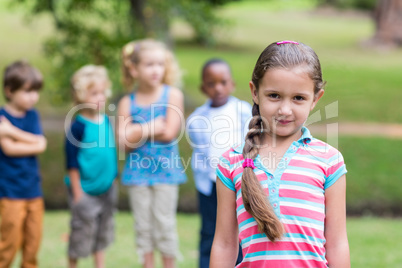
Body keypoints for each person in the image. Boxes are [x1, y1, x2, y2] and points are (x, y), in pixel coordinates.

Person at [210, 41, 350, 267]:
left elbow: (337, 243)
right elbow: (225, 243)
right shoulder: (231, 162)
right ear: (255, 92)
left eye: (298, 98)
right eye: (274, 95)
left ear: (316, 98)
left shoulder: (329, 160)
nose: (285, 110)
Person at [117, 39, 187, 268]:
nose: (156, 69)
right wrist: (151, 126)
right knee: (143, 227)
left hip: (166, 173)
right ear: (134, 69)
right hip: (137, 174)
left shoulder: (172, 95)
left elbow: (169, 132)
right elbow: (122, 142)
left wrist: (136, 132)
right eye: (149, 64)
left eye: (160, 64)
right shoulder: (127, 102)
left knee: (165, 225)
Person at [186, 58, 251, 268]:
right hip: (210, 185)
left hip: (239, 184)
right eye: (211, 84)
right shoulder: (197, 119)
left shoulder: (243, 111)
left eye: (223, 82)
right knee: (210, 230)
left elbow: (251, 144)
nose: (218, 88)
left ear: (232, 83)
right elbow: (200, 153)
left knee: (240, 229)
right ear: (203, 88)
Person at [64, 65, 118, 268]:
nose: (100, 97)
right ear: (80, 96)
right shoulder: (77, 127)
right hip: (85, 191)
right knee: (81, 234)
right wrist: (77, 193)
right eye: (94, 93)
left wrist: (113, 177)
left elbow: (109, 152)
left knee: (102, 233)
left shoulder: (106, 120)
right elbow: (71, 162)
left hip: (107, 189)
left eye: (102, 92)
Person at [0, 60, 47, 268]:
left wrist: (12, 133)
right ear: (9, 91)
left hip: (33, 191)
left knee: (32, 244)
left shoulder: (33, 115)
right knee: (8, 245)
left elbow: (42, 145)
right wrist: (33, 141)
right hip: (10, 192)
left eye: (36, 91)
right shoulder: (2, 117)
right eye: (27, 91)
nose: (33, 97)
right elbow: (9, 149)